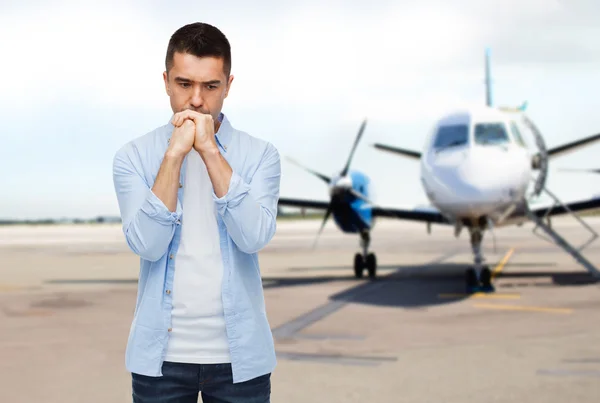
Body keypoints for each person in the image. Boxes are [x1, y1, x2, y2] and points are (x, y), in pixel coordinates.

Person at [112, 22, 280, 402]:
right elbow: (148, 245)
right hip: (161, 361)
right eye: (185, 84)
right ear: (167, 81)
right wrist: (173, 155)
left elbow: (254, 237)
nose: (196, 101)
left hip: (241, 360)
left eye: (210, 86)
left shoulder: (260, 155)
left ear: (229, 85)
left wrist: (209, 151)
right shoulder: (133, 157)